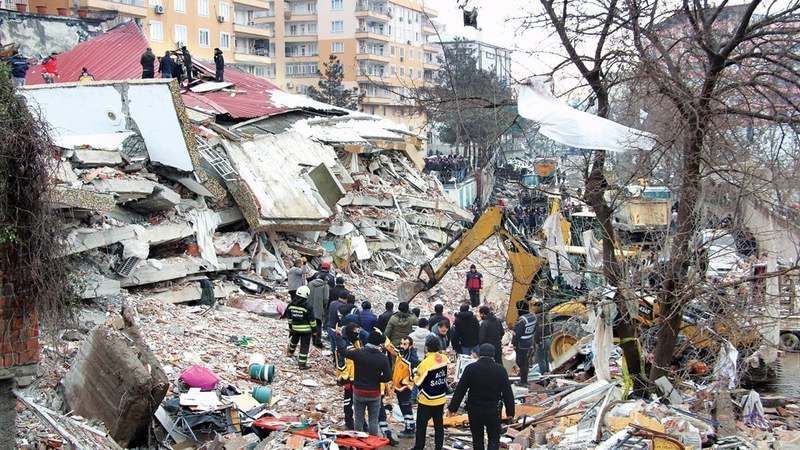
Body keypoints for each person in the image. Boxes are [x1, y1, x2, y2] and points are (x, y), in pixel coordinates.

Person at [447, 343, 515, 450]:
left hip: (475, 410)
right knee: (494, 438)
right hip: (493, 410)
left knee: (477, 438)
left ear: (479, 354)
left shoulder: (470, 368)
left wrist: (452, 408)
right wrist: (510, 412)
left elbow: (460, 390)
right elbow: (507, 392)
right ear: (493, 355)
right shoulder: (500, 370)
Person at [345, 330, 391, 437]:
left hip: (359, 392)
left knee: (359, 419)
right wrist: (378, 379)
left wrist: (338, 337)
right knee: (373, 420)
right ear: (378, 343)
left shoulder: (358, 353)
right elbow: (388, 377)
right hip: (374, 393)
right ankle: (372, 443)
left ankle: (358, 444)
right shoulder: (383, 358)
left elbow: (344, 352)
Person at [412, 336, 450, 450]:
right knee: (439, 426)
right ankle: (438, 447)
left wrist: (414, 373)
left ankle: (419, 447)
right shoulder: (443, 358)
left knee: (421, 426)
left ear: (427, 347)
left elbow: (418, 381)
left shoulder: (425, 363)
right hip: (440, 398)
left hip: (427, 400)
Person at [385, 336, 419, 438]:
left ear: (411, 345)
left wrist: (403, 382)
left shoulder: (412, 358)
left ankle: (410, 429)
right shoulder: (402, 353)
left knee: (406, 407)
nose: (402, 346)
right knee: (404, 407)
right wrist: (384, 339)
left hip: (405, 387)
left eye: (405, 344)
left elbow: (412, 372)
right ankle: (410, 426)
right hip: (399, 387)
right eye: (401, 343)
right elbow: (392, 349)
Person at [285, 286, 319, 369]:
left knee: (294, 341)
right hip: (306, 330)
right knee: (304, 346)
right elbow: (312, 320)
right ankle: (302, 364)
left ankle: (290, 352)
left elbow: (289, 318)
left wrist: (291, 327)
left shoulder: (291, 305)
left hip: (295, 328)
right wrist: (315, 330)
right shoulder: (307, 306)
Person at [336, 323, 362, 430]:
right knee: (348, 401)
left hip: (356, 377)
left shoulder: (355, 342)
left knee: (357, 401)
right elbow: (341, 364)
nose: (357, 335)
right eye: (355, 333)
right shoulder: (344, 346)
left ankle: (359, 421)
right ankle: (349, 421)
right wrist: (345, 380)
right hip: (349, 379)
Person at [511, 300, 537, 386]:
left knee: (520, 361)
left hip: (521, 343)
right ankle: (523, 376)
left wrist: (513, 344)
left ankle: (523, 381)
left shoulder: (522, 321)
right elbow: (535, 328)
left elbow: (516, 335)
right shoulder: (533, 317)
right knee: (525, 360)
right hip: (529, 341)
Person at [307, 276, 329, 348]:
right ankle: (317, 341)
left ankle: (309, 339)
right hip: (319, 308)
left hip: (309, 307)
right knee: (318, 325)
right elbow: (326, 299)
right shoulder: (325, 286)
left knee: (310, 323)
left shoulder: (310, 284)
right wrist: (324, 307)